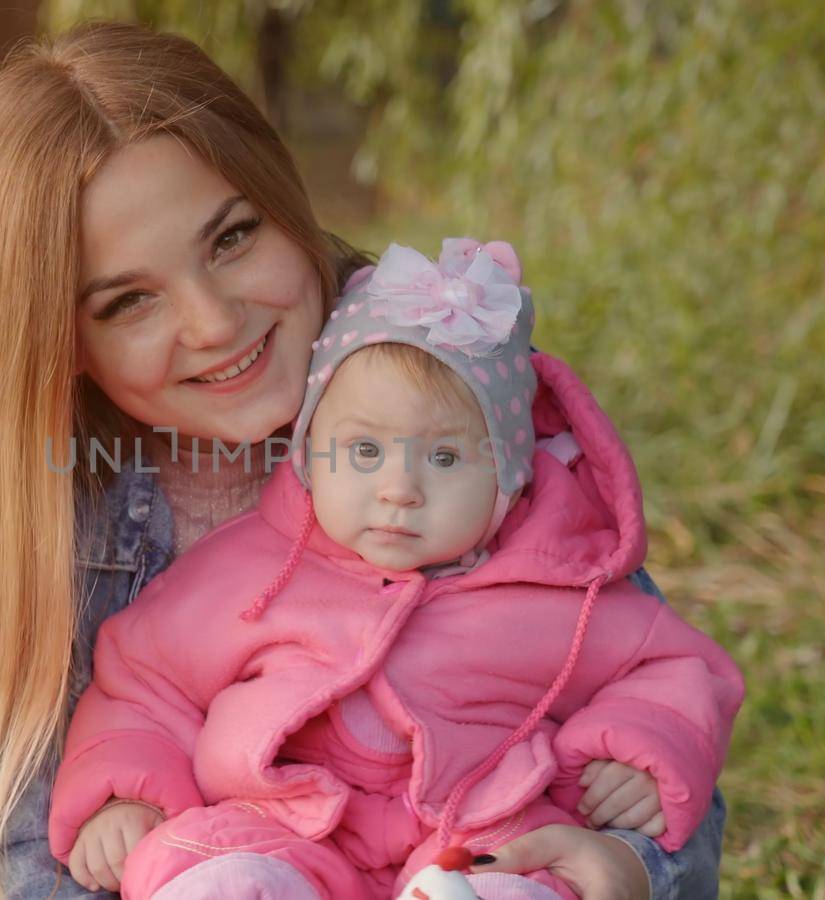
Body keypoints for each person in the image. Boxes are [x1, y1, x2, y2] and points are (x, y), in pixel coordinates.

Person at [0, 21, 732, 900]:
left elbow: (663, 765)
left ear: (288, 207)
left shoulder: (448, 392)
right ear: (60, 343)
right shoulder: (42, 525)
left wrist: (623, 865)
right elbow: (11, 862)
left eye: (231, 239)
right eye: (128, 301)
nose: (216, 322)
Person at [47, 239, 745, 899]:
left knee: (516, 882)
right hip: (281, 829)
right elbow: (141, 681)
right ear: (311, 450)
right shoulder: (247, 569)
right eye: (363, 452)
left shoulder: (561, 589)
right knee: (218, 877)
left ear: (510, 477)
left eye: (444, 458)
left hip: (478, 833)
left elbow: (674, 668)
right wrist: (126, 791)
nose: (399, 489)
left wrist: (642, 747)